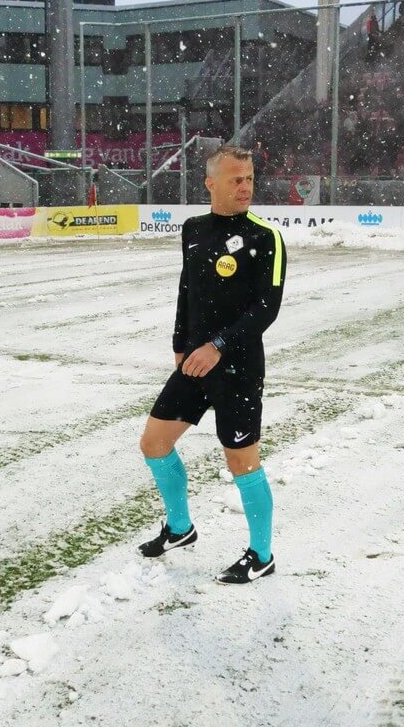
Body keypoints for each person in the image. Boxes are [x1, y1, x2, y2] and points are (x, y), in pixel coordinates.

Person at [137, 145, 288, 585]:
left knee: (241, 463)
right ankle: (181, 529)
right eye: (235, 179)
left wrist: (218, 345)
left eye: (249, 179)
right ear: (211, 183)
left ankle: (261, 554)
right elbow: (188, 288)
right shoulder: (194, 229)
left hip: (238, 366)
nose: (245, 188)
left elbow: (266, 309)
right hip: (195, 362)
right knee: (154, 443)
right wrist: (180, 343)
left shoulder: (264, 237)